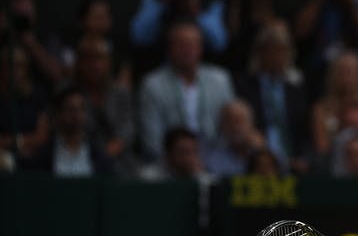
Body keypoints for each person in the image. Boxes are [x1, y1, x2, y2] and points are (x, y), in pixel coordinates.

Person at [137, 20, 234, 161]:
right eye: (181, 45)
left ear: (200, 48)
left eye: (192, 44)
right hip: (169, 164)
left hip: (216, 161)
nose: (187, 50)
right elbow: (152, 139)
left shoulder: (220, 80)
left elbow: (229, 127)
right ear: (169, 49)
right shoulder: (152, 85)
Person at [235, 23, 309, 172]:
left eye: (283, 51)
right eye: (272, 50)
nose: (277, 57)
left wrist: (303, 158)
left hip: (293, 162)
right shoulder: (243, 88)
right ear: (260, 53)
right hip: (255, 161)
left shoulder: (297, 91)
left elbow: (304, 132)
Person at [73, 36, 136, 174]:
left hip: (120, 162)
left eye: (99, 59)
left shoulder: (121, 93)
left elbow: (128, 128)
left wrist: (112, 149)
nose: (94, 65)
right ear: (79, 63)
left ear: (108, 62)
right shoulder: (71, 93)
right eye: (88, 59)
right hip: (78, 159)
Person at [20, 85, 113, 176]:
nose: (77, 115)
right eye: (71, 109)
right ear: (58, 114)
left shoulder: (98, 156)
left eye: (81, 109)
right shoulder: (43, 155)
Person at [203, 99, 266, 177]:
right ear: (222, 127)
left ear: (251, 124)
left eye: (240, 120)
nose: (235, 127)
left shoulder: (265, 152)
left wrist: (261, 152)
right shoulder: (212, 159)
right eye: (230, 121)